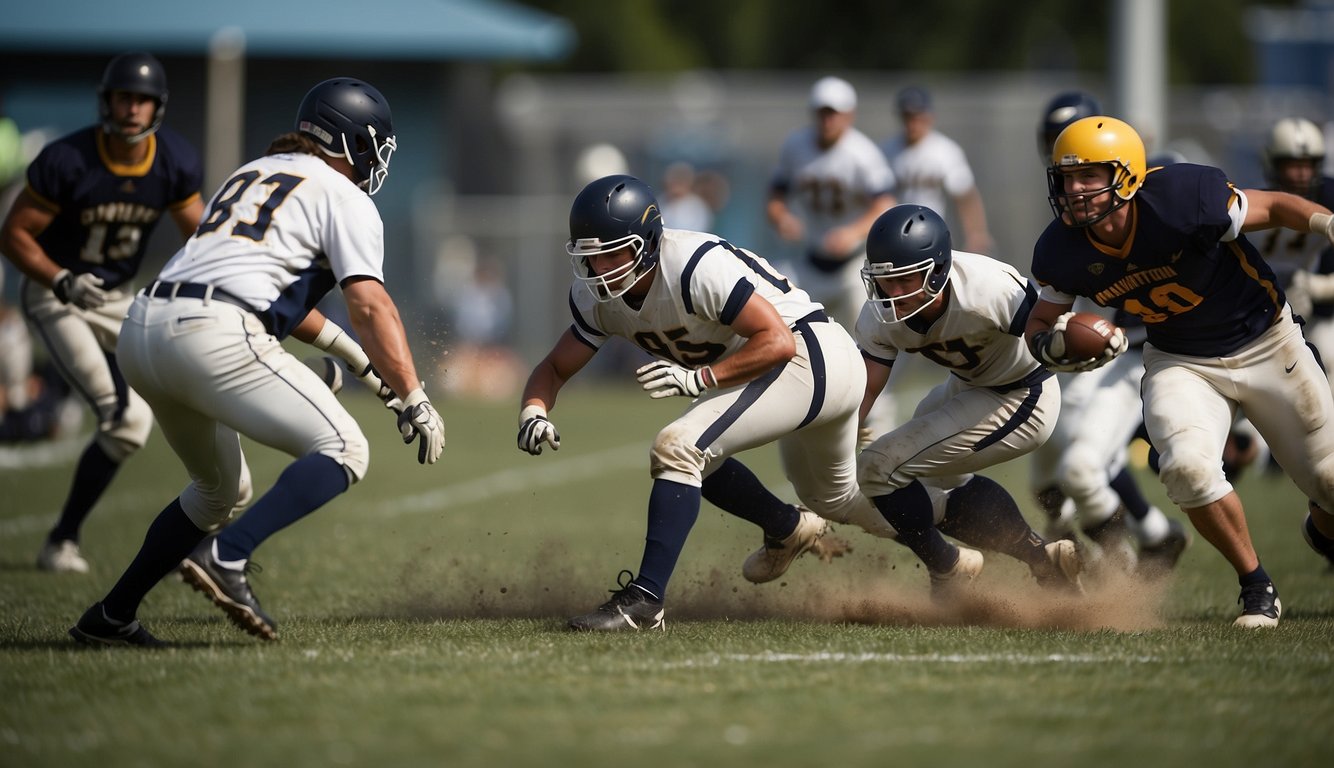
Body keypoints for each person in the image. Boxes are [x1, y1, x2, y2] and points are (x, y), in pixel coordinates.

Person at [67, 77, 445, 647]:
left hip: (144, 330)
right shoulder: (345, 197)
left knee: (219, 491)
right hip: (211, 333)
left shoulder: (251, 173)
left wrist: (364, 365)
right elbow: (369, 304)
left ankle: (112, 615)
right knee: (345, 448)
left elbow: (269, 295)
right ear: (355, 143)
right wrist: (414, 394)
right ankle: (228, 555)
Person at [519, 174, 894, 632]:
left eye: (611, 252)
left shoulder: (694, 266)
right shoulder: (596, 296)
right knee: (830, 497)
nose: (599, 268)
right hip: (773, 364)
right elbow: (555, 367)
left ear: (648, 244)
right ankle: (927, 548)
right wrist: (534, 410)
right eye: (589, 255)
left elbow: (776, 340)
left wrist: (700, 378)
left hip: (806, 352)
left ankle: (646, 602)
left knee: (679, 445)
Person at [1026, 115, 1334, 628]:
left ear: (1125, 175)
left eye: (1089, 176)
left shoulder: (1182, 199)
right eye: (1066, 178)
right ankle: (1256, 585)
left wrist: (1327, 223)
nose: (1073, 190)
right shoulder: (1061, 247)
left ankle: (1320, 529)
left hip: (1265, 339)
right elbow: (1040, 321)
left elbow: (1277, 206)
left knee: (1328, 481)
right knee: (1187, 469)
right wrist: (1053, 346)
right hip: (1181, 360)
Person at [0, 53, 204, 573]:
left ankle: (210, 526)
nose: (132, 109)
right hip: (57, 293)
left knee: (195, 382)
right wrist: (60, 278)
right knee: (125, 419)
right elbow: (14, 234)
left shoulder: (173, 160)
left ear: (157, 106)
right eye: (124, 98)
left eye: (142, 99)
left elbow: (202, 243)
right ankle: (61, 541)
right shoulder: (69, 160)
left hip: (120, 297)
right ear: (106, 101)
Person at [853, 204, 1084, 600]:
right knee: (927, 486)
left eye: (904, 280)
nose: (892, 295)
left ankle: (948, 570)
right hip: (969, 386)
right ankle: (1044, 559)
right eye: (884, 281)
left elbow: (1047, 329)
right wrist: (839, 435)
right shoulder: (880, 316)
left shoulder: (987, 288)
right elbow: (865, 388)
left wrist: (1075, 344)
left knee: (879, 469)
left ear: (938, 271)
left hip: (1023, 393)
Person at [1025, 92, 1190, 577]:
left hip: (1142, 351)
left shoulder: (1151, 196)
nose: (1076, 179)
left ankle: (1125, 553)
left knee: (1083, 461)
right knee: (1049, 475)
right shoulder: (1066, 221)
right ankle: (1145, 536)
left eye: (1088, 170)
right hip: (1092, 348)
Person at [766, 76, 896, 331]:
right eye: (822, 112)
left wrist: (852, 232)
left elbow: (886, 205)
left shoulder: (862, 153)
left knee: (869, 337)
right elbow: (775, 196)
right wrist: (781, 217)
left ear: (849, 115)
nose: (827, 120)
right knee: (774, 316)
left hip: (855, 267)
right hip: (810, 260)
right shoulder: (796, 146)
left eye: (833, 113)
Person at [881, 86, 993, 255]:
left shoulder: (945, 151)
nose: (913, 122)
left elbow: (965, 197)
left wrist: (976, 235)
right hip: (895, 235)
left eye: (917, 115)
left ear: (929, 117)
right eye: (908, 116)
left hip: (934, 234)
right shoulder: (887, 151)